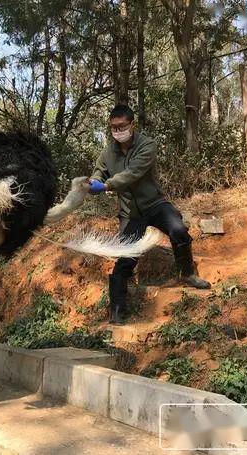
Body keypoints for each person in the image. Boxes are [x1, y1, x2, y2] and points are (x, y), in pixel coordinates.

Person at [89, 104, 211, 324]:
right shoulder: (108, 151)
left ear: (132, 124)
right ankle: (116, 309)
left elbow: (132, 173)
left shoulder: (147, 145)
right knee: (125, 258)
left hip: (155, 204)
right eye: (113, 127)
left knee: (178, 230)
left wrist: (106, 186)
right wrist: (94, 180)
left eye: (121, 126)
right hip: (130, 213)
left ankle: (187, 273)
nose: (117, 131)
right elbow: (100, 170)